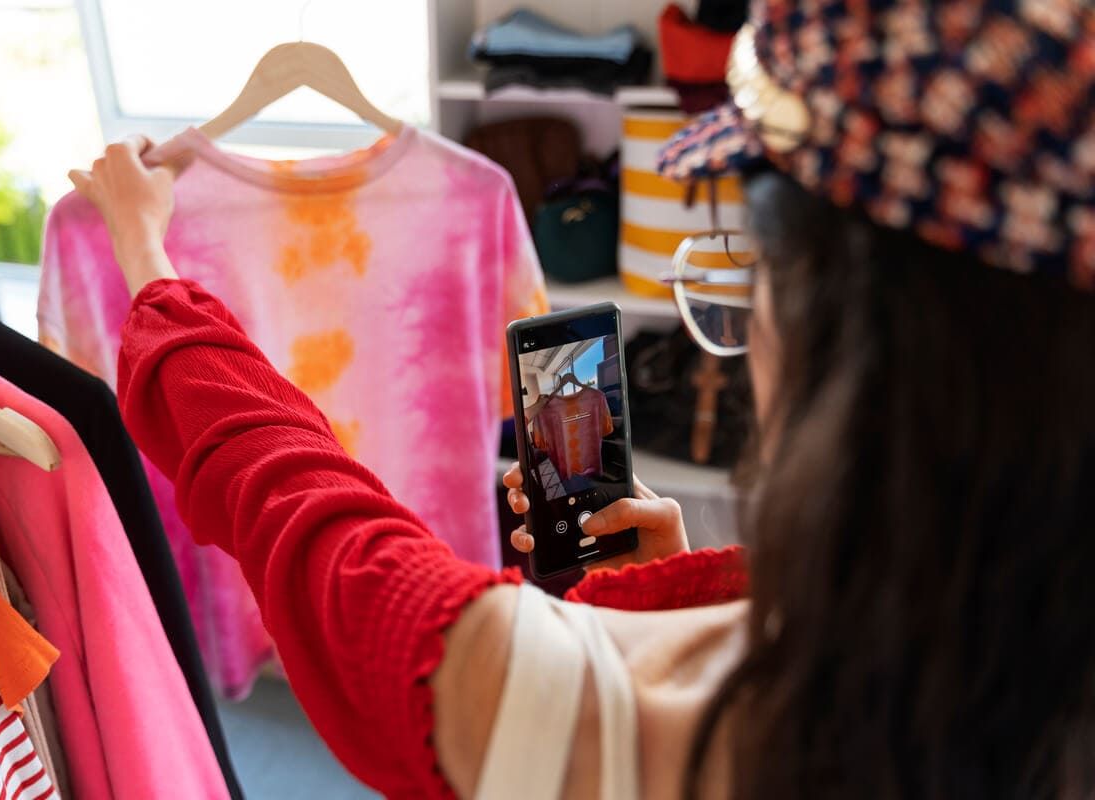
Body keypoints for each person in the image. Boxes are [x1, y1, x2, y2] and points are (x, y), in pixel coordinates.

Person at [69, 0, 1095, 796]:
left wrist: (148, 263)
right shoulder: (1000, 675)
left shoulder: (618, 713)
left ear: (832, 326)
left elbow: (315, 526)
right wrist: (687, 585)